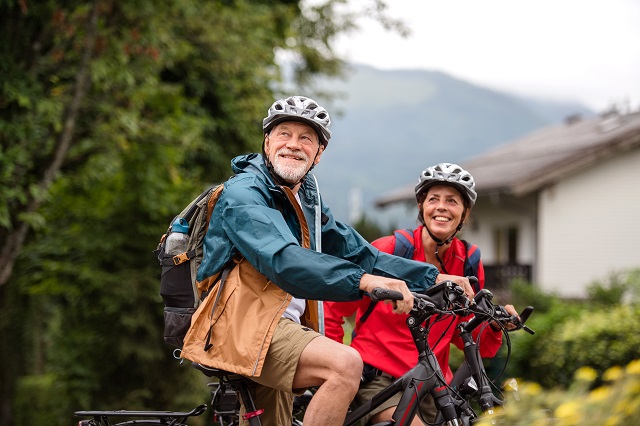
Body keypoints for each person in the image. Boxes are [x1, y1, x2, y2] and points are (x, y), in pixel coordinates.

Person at [180, 97, 475, 426]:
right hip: (238, 325)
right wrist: (363, 282)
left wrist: (432, 278)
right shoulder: (244, 194)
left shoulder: (302, 195)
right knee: (345, 364)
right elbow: (284, 261)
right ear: (267, 142)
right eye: (284, 134)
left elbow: (358, 252)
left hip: (277, 326)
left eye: (306, 138)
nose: (293, 145)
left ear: (319, 153)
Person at [324, 162, 519, 425]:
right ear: (421, 206)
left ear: (465, 213)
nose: (441, 206)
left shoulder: (468, 263)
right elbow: (332, 309)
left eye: (452, 201)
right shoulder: (389, 250)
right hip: (378, 378)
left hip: (433, 382)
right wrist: (335, 366)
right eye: (433, 199)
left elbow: (469, 338)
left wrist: (495, 325)